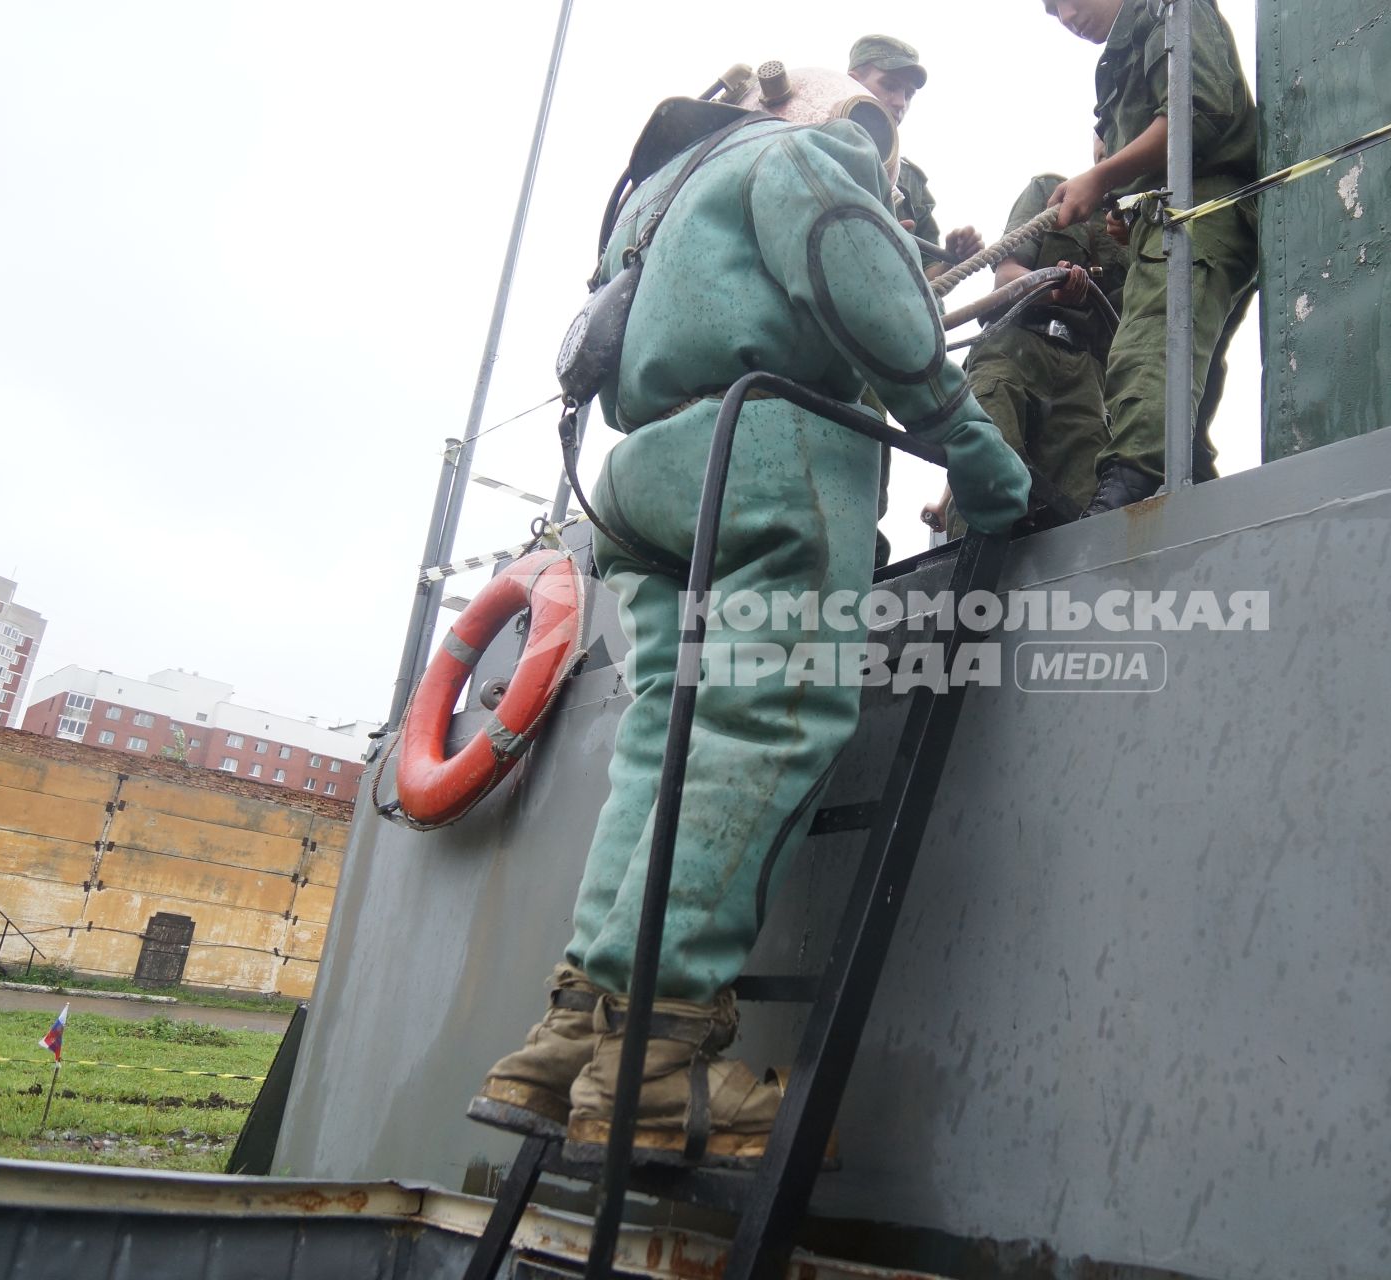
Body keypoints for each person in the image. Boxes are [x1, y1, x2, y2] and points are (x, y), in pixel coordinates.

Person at [468, 84, 1030, 1162]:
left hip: (638, 481)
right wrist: (963, 435)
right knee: (765, 717)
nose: (874, 136)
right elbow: (844, 261)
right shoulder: (798, 152)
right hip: (763, 445)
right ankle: (657, 1060)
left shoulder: (654, 204)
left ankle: (570, 1035)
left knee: (658, 746)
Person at [1042, 0, 1259, 514]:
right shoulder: (1118, 55)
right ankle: (1192, 490)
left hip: (1201, 210)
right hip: (1164, 220)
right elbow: (1149, 166)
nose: (1067, 18)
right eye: (1054, 15)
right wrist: (1126, 208)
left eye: (1067, 2)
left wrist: (1098, 179)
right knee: (1184, 376)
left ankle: (1132, 486)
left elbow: (1196, 112)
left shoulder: (1167, 9)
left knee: (1152, 341)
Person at [927, 155, 1132, 536]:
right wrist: (1057, 290)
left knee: (1086, 502)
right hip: (1014, 345)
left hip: (1084, 375)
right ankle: (961, 576)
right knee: (988, 469)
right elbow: (1006, 277)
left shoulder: (1136, 222)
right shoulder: (1050, 190)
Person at [847, 35, 984, 274]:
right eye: (889, 86)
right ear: (852, 82)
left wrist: (951, 261)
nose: (900, 102)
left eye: (909, 94)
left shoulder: (909, 182)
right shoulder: (804, 148)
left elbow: (926, 282)